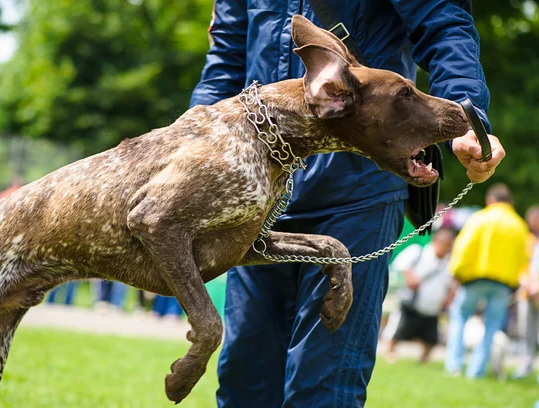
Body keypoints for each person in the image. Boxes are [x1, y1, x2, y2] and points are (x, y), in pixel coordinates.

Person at [191, 2, 505, 406]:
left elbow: (444, 25)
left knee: (323, 389)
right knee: (243, 384)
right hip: (259, 192)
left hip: (358, 190)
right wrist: (194, 146)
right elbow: (227, 58)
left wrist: (466, 116)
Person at [444, 183, 528, 379]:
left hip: (475, 279)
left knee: (460, 316)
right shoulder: (519, 225)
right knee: (492, 325)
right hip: (503, 284)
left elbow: (464, 249)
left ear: (491, 199)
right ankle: (477, 370)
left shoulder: (480, 218)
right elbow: (523, 258)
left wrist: (456, 272)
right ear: (510, 202)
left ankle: (454, 366)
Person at [385, 228, 456, 364]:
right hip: (412, 302)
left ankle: (423, 361)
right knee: (398, 330)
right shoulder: (419, 252)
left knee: (431, 338)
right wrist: (410, 278)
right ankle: (390, 354)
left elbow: (452, 284)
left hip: (433, 307)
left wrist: (448, 299)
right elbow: (400, 264)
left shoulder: (449, 262)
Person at [513, 205, 539, 380]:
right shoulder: (527, 240)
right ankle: (525, 366)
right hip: (526, 292)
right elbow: (520, 264)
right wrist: (525, 281)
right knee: (525, 332)